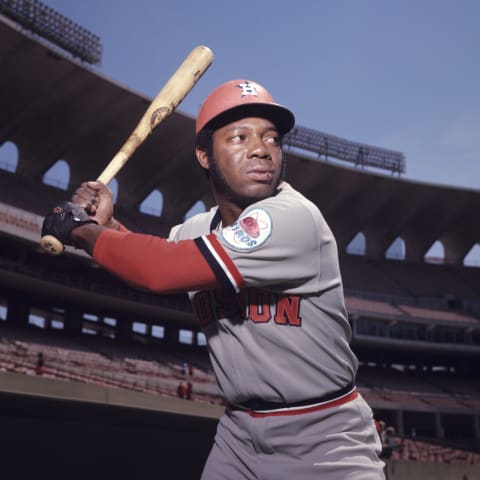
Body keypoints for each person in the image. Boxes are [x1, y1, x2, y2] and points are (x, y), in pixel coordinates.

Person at [42, 79, 385, 479]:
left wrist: (81, 231)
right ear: (205, 156)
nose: (261, 149)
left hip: (324, 437)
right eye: (240, 137)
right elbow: (151, 253)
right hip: (239, 435)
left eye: (271, 139)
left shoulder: (294, 218)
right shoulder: (198, 230)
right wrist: (105, 224)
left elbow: (161, 270)